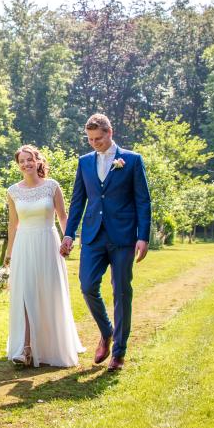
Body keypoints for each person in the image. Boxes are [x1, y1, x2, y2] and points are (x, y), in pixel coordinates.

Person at [61, 113, 152, 371]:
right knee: (87, 285)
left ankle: (119, 353)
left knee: (122, 291)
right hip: (93, 235)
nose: (94, 143)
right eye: (90, 139)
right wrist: (69, 233)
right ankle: (106, 331)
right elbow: (78, 201)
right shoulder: (84, 162)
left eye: (98, 139)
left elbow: (143, 200)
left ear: (110, 133)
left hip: (123, 236)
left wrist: (143, 236)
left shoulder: (132, 161)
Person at [4, 144, 85, 367]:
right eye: (22, 161)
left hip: (49, 243)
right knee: (24, 293)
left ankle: (51, 345)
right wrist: (9, 255)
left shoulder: (52, 186)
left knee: (49, 292)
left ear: (38, 161)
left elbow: (63, 216)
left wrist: (69, 239)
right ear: (18, 165)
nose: (26, 164)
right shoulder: (13, 191)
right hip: (24, 245)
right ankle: (25, 348)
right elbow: (13, 225)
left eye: (30, 159)